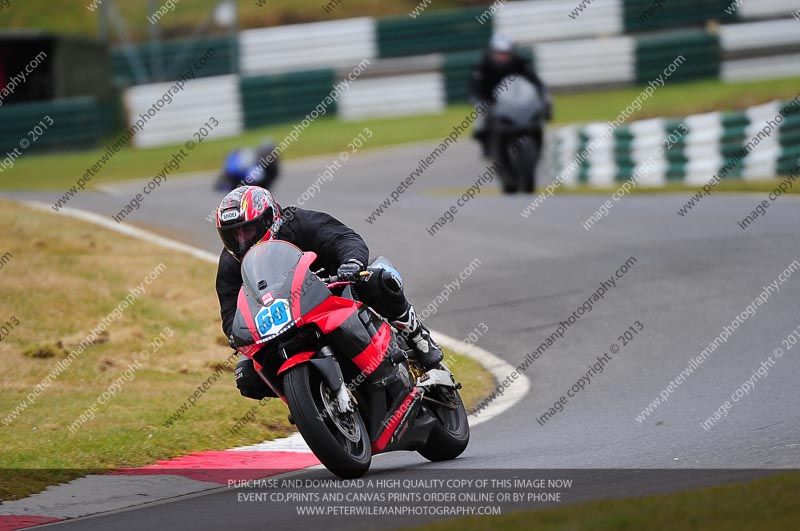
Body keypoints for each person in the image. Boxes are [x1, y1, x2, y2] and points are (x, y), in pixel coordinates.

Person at [214, 186, 444, 399]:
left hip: (335, 293)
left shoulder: (297, 222)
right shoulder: (230, 264)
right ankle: (312, 399)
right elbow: (230, 312)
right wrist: (238, 335)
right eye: (232, 236)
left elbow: (342, 238)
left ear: (269, 219)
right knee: (247, 374)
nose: (241, 241)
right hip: (285, 320)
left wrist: (352, 263)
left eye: (247, 231)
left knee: (377, 278)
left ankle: (418, 337)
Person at [470, 34, 552, 155]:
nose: (503, 57)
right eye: (500, 54)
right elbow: (476, 85)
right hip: (490, 99)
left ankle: (537, 132)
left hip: (514, 100)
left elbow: (534, 80)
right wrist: (477, 98)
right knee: (481, 113)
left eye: (506, 54)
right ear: (493, 52)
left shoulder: (519, 62)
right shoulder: (484, 64)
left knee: (545, 100)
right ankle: (486, 144)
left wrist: (542, 93)